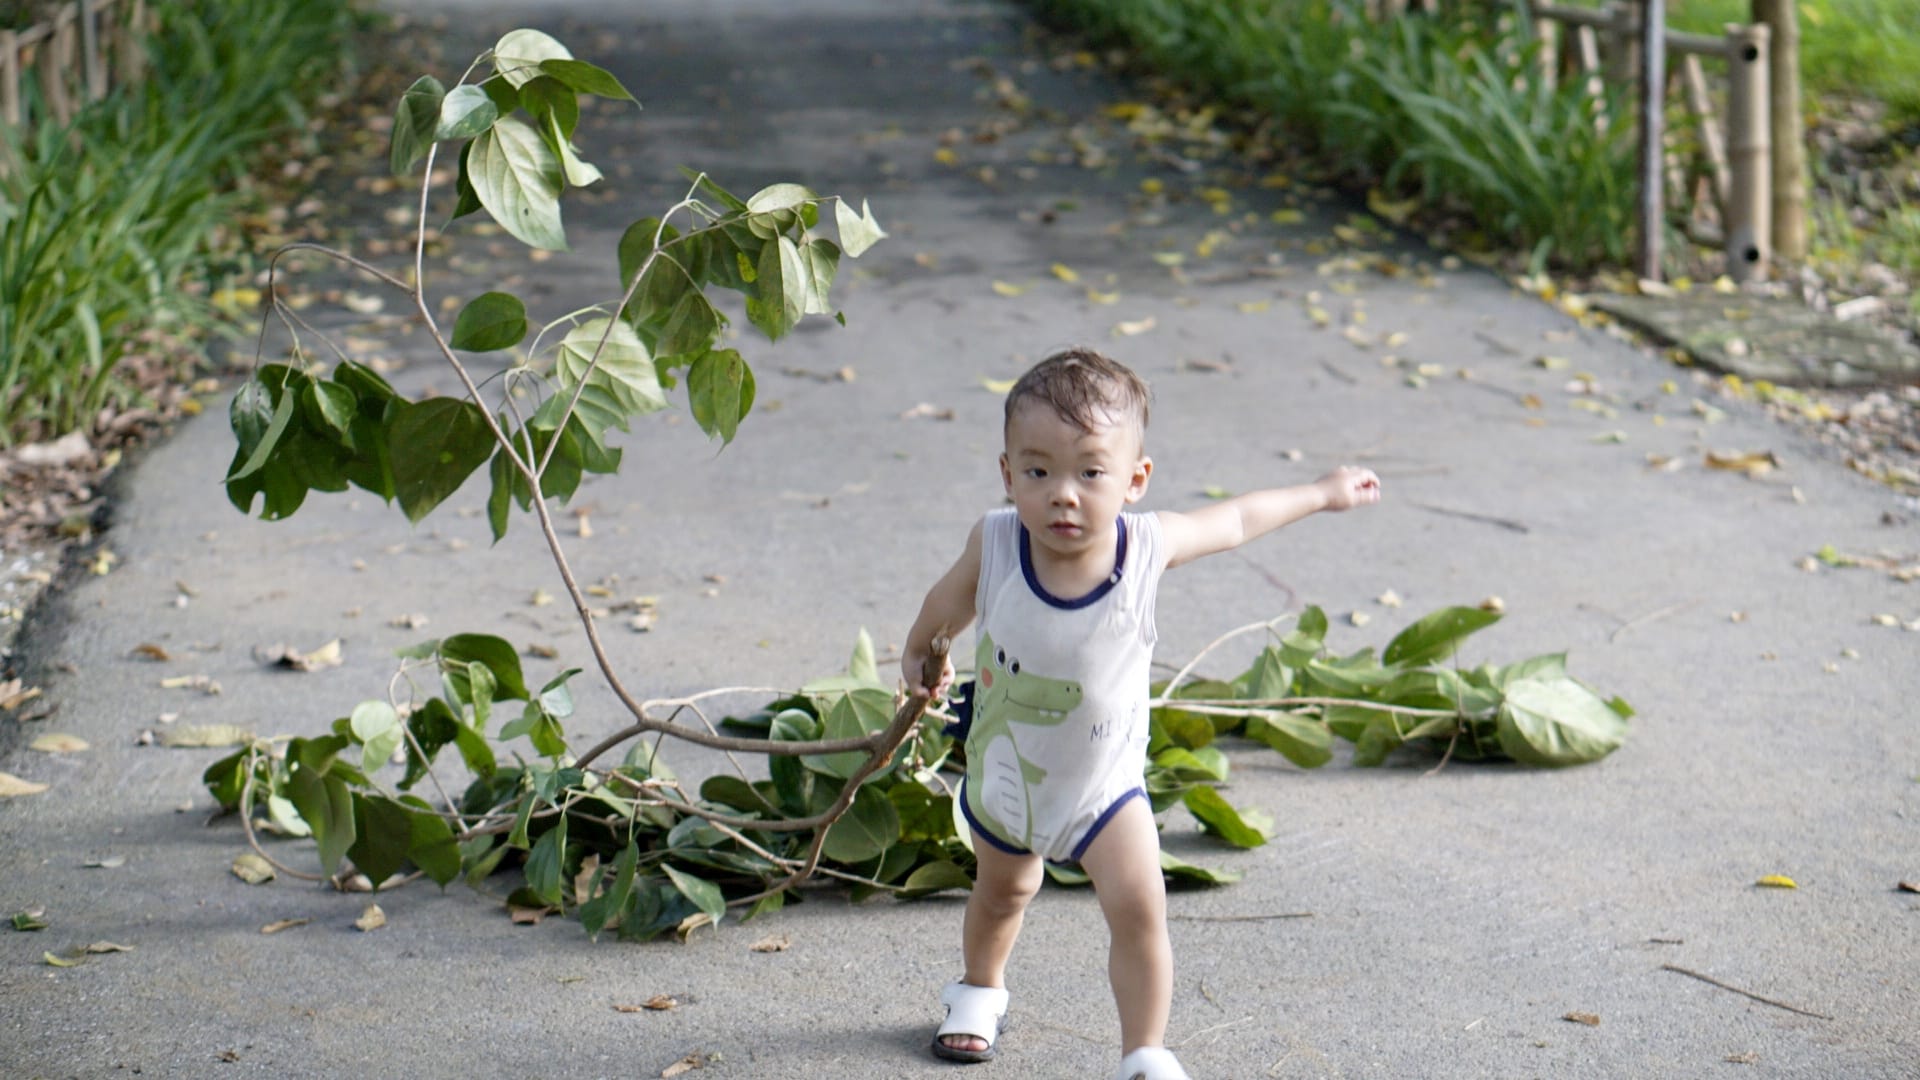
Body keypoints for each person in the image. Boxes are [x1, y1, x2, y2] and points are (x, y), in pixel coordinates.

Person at [901, 347, 1381, 1080]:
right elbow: (945, 607)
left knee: (1139, 908)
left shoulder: (1146, 547)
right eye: (1038, 471)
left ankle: (1143, 1052)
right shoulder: (995, 541)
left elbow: (1240, 517)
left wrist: (1322, 492)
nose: (1064, 494)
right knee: (1002, 892)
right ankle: (979, 991)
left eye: (1091, 472)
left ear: (1134, 479)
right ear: (1007, 474)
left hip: (1104, 786)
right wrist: (922, 657)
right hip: (1009, 772)